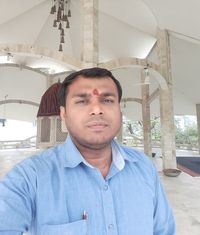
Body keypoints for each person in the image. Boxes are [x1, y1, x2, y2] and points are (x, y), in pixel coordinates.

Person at [0, 67, 175, 235]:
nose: (97, 109)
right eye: (82, 101)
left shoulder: (144, 167)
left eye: (107, 100)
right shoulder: (29, 178)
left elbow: (164, 231)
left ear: (119, 110)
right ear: (63, 113)